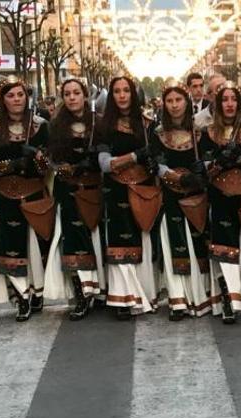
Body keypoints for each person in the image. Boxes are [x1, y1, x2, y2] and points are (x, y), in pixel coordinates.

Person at [0, 76, 50, 322]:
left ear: (27, 96)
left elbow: (49, 165)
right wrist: (11, 164)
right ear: (3, 99)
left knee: (36, 246)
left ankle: (37, 291)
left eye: (20, 94)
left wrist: (37, 156)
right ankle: (20, 296)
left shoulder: (41, 124)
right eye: (10, 95)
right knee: (11, 245)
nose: (16, 99)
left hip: (34, 192)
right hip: (5, 194)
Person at [94, 75, 159, 320]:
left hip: (143, 188)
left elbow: (156, 155)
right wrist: (134, 156)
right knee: (120, 242)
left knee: (142, 239)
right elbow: (105, 164)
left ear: (133, 94)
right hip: (115, 190)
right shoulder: (103, 126)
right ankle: (122, 297)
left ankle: (144, 293)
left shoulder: (147, 123)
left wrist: (153, 163)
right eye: (117, 91)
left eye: (126, 91)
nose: (122, 95)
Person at [200, 81, 241, 323]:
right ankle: (229, 298)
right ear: (218, 104)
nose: (229, 104)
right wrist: (219, 161)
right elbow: (204, 169)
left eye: (233, 99)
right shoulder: (208, 133)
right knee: (223, 246)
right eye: (224, 99)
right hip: (219, 194)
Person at [43, 79, 106, 320]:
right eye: (67, 94)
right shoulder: (56, 125)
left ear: (84, 95)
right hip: (68, 190)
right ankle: (81, 293)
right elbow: (51, 159)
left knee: (96, 240)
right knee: (71, 240)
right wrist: (64, 167)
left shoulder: (98, 122)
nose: (72, 98)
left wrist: (94, 160)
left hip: (94, 189)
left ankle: (98, 292)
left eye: (76, 93)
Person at [148, 79, 211, 320]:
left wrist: (200, 172)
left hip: (196, 198)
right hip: (170, 197)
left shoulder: (199, 133)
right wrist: (174, 177)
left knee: (197, 246)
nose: (174, 105)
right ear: (164, 104)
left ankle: (198, 297)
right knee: (174, 246)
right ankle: (177, 300)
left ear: (186, 102)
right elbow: (157, 165)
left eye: (178, 100)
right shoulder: (157, 134)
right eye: (170, 101)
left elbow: (207, 162)